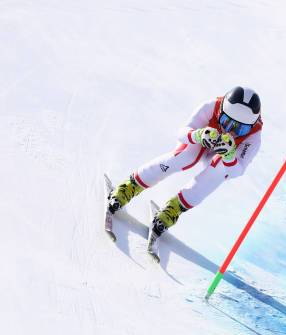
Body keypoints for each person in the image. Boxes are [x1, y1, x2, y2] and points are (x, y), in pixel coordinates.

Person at [107, 86, 262, 237]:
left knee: (221, 170)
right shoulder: (211, 106)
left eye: (240, 129)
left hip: (221, 157)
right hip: (202, 141)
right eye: (225, 121)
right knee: (186, 156)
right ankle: (128, 187)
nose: (229, 131)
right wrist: (198, 135)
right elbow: (181, 133)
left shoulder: (253, 137)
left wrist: (229, 156)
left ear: (251, 126)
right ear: (221, 109)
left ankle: (173, 210)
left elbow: (238, 170)